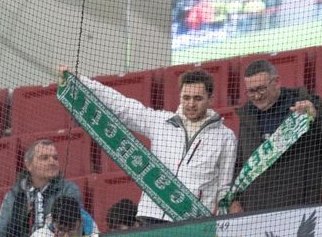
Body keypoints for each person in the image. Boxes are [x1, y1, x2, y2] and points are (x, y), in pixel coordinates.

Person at [73, 67, 236, 220]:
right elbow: (123, 107)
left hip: (191, 221)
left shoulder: (226, 137)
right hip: (150, 217)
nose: (191, 104)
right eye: (186, 98)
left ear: (211, 99)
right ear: (180, 97)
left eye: (198, 98)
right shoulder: (161, 122)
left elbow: (224, 187)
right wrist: (80, 81)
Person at [230, 58, 322, 212]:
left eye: (261, 89)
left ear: (277, 82)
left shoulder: (304, 103)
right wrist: (235, 199)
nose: (256, 96)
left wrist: (316, 117)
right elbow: (241, 162)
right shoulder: (247, 115)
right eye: (251, 91)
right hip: (256, 210)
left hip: (300, 206)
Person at [0, 138, 89, 237]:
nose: (52, 162)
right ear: (28, 164)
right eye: (44, 158)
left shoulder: (68, 189)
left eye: (55, 158)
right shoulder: (14, 194)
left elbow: (74, 228)